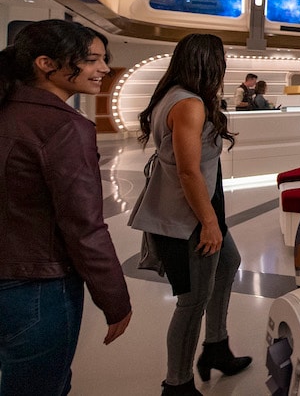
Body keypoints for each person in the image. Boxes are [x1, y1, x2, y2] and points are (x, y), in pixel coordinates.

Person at [0, 20, 132, 396]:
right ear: (46, 63)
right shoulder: (63, 126)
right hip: (37, 288)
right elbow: (83, 225)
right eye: (91, 60)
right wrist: (115, 300)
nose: (104, 69)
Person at [129, 34, 251, 395]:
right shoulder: (189, 103)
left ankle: (215, 347)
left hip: (197, 208)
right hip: (188, 217)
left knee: (228, 263)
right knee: (192, 301)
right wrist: (209, 223)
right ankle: (177, 383)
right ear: (210, 62)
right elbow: (188, 170)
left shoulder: (173, 96)